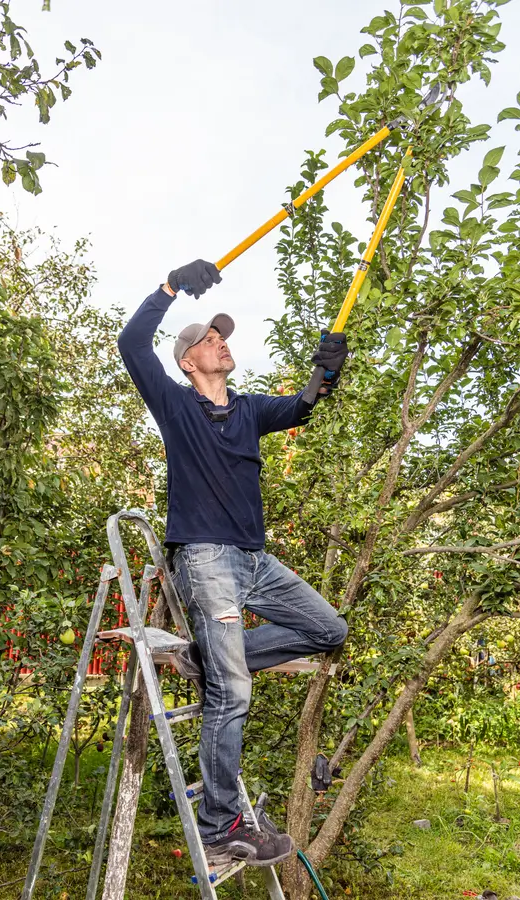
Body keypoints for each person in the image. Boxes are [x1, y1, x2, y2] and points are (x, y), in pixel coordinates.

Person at [118, 259, 349, 868]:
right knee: (234, 692)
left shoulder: (247, 410)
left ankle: (205, 659)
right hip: (206, 559)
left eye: (222, 337)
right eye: (209, 338)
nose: (221, 342)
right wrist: (169, 286)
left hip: (255, 561)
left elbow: (301, 406)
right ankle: (223, 826)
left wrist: (324, 374)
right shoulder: (172, 404)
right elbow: (131, 342)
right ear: (189, 361)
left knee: (329, 630)